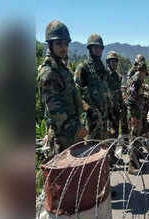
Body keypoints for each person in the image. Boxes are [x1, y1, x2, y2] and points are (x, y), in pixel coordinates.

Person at [37, 20, 88, 154]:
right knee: (67, 174)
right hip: (62, 138)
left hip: (71, 134)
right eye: (59, 43)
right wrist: (77, 129)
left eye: (65, 44)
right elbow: (55, 111)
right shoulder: (48, 72)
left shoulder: (61, 68)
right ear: (50, 45)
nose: (63, 47)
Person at [74, 34, 112, 140]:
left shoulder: (103, 69)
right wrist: (88, 109)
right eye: (95, 47)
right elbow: (76, 93)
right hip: (90, 119)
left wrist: (110, 109)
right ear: (90, 48)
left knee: (104, 145)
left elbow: (106, 91)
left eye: (100, 48)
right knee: (91, 149)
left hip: (104, 117)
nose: (98, 50)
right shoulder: (83, 68)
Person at [125, 62, 149, 174]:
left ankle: (136, 163)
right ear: (142, 71)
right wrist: (134, 116)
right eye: (145, 74)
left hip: (137, 114)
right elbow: (130, 100)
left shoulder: (138, 80)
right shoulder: (136, 80)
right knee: (133, 139)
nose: (145, 76)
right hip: (134, 116)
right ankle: (131, 166)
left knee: (137, 138)